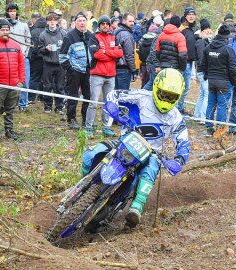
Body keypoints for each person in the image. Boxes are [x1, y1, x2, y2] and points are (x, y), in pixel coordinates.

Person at [82, 68, 191, 228]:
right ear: (156, 88)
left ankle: (136, 207)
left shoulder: (175, 117)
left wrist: (179, 160)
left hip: (150, 153)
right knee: (92, 153)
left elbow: (183, 141)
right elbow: (115, 93)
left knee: (153, 166)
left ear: (178, 97)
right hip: (125, 141)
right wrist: (111, 104)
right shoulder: (142, 97)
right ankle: (82, 184)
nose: (166, 99)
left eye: (171, 97)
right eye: (163, 94)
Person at [86, 15, 123, 137]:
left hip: (111, 75)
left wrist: (105, 51)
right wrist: (111, 54)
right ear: (99, 25)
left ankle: (106, 127)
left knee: (109, 103)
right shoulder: (94, 37)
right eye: (103, 24)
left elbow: (120, 53)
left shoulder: (114, 37)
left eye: (107, 24)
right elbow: (96, 54)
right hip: (97, 74)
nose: (105, 26)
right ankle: (89, 127)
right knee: (93, 102)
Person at [0, 19, 25, 140]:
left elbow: (21, 64)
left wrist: (21, 81)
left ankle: (9, 130)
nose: (5, 32)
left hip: (14, 84)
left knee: (10, 109)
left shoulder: (16, 45)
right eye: (2, 30)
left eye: (7, 30)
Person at [201, 24, 236, 136]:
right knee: (222, 106)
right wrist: (234, 80)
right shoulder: (228, 50)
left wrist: (207, 75)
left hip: (211, 81)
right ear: (227, 36)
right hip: (224, 82)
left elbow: (202, 65)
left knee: (211, 104)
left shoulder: (208, 48)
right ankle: (220, 129)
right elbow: (232, 68)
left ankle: (209, 128)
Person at [59, 12, 92, 129]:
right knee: (73, 95)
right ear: (75, 23)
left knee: (88, 95)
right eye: (79, 21)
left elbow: (94, 52)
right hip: (75, 71)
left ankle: (86, 119)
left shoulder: (90, 35)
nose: (82, 23)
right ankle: (71, 119)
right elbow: (62, 56)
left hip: (88, 71)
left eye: (84, 21)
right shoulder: (69, 36)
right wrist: (71, 70)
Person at [38, 13, 66, 114]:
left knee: (60, 86)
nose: (52, 22)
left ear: (57, 21)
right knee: (47, 85)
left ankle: (59, 107)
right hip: (48, 63)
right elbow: (39, 50)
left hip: (60, 64)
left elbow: (68, 48)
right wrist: (46, 49)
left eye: (54, 20)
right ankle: (47, 106)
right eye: (50, 20)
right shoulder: (43, 35)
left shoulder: (63, 33)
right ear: (47, 22)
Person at [6, 3, 31, 112]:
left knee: (24, 81)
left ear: (17, 12)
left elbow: (28, 40)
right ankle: (10, 104)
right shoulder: (4, 25)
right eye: (10, 11)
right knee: (9, 81)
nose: (12, 13)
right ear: (7, 12)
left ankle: (23, 104)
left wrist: (25, 52)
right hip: (8, 57)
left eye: (14, 11)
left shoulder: (24, 25)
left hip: (22, 57)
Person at [177, 6, 198, 115]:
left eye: (193, 14)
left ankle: (179, 107)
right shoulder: (182, 28)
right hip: (183, 61)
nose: (191, 16)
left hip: (191, 61)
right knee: (181, 86)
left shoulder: (195, 28)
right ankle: (176, 108)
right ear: (185, 16)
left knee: (186, 87)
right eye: (189, 14)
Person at [194, 18, 214, 121]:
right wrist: (206, 71)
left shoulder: (205, 41)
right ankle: (203, 117)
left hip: (203, 71)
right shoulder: (201, 42)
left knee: (202, 93)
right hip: (203, 71)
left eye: (209, 28)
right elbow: (202, 58)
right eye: (206, 29)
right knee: (207, 93)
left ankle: (197, 115)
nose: (209, 30)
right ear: (202, 31)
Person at [114, 13, 137, 90]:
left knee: (115, 94)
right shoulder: (127, 35)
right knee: (123, 95)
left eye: (133, 21)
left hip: (115, 67)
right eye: (130, 21)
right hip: (123, 68)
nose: (132, 23)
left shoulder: (115, 31)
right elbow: (129, 55)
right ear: (124, 21)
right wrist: (134, 70)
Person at [28, 13, 46, 104]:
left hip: (37, 58)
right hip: (47, 57)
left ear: (35, 19)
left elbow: (33, 46)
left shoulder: (34, 31)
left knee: (34, 78)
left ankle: (31, 98)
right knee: (45, 78)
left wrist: (32, 57)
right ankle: (42, 98)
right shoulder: (47, 29)